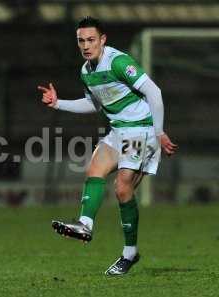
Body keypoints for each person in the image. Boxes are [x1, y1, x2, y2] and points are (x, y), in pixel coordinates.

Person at [37, 16, 178, 276]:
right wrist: (59, 104)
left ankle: (129, 253)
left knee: (122, 188)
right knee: (94, 170)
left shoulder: (119, 62)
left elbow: (154, 93)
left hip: (141, 129)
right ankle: (85, 225)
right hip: (118, 130)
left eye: (91, 40)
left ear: (103, 39)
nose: (86, 45)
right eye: (81, 41)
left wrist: (159, 133)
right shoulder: (86, 71)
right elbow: (94, 104)